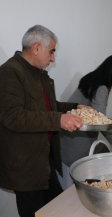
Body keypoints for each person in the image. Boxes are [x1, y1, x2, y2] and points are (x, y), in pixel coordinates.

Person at [0, 25, 84, 217]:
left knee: (58, 208)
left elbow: (47, 106)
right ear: (36, 48)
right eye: (52, 51)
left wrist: (74, 107)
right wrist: (58, 119)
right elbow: (13, 116)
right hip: (25, 164)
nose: (53, 58)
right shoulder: (9, 72)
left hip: (43, 160)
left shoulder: (38, 73)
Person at [59, 55, 112, 189]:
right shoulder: (102, 87)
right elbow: (100, 122)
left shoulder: (91, 79)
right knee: (82, 182)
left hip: (68, 137)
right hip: (78, 140)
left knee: (76, 179)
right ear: (110, 70)